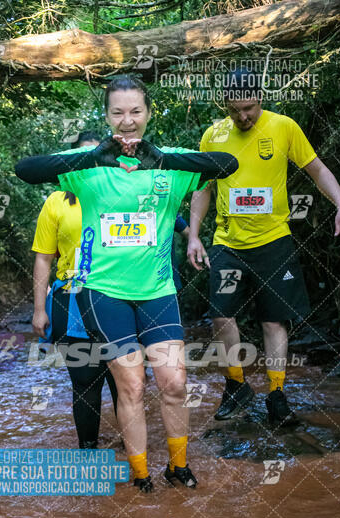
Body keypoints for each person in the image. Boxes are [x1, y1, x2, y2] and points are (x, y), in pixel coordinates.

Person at [16, 74, 238, 492]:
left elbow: (227, 164)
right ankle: (141, 474)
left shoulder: (169, 160)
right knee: (131, 384)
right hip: (104, 293)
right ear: (106, 116)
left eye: (136, 111)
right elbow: (25, 169)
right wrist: (94, 157)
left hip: (158, 291)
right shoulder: (87, 167)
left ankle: (178, 466)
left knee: (174, 382)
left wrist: (160, 158)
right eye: (118, 112)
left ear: (148, 113)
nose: (127, 121)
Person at [188, 68, 340, 427]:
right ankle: (237, 385)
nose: (244, 116)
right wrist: (194, 234)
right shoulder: (213, 136)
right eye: (237, 109)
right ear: (225, 103)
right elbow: (203, 189)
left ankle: (276, 395)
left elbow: (316, 169)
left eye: (251, 108)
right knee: (221, 315)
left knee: (274, 321)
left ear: (262, 98)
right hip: (228, 241)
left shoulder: (283, 127)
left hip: (274, 239)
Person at [32, 132, 118, 450]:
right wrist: (39, 309)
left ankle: (134, 454)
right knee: (85, 382)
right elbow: (43, 258)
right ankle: (89, 454)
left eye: (93, 158)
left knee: (126, 381)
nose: (87, 166)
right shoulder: (57, 201)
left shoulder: (118, 194)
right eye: (79, 159)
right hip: (70, 298)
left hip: (118, 294)